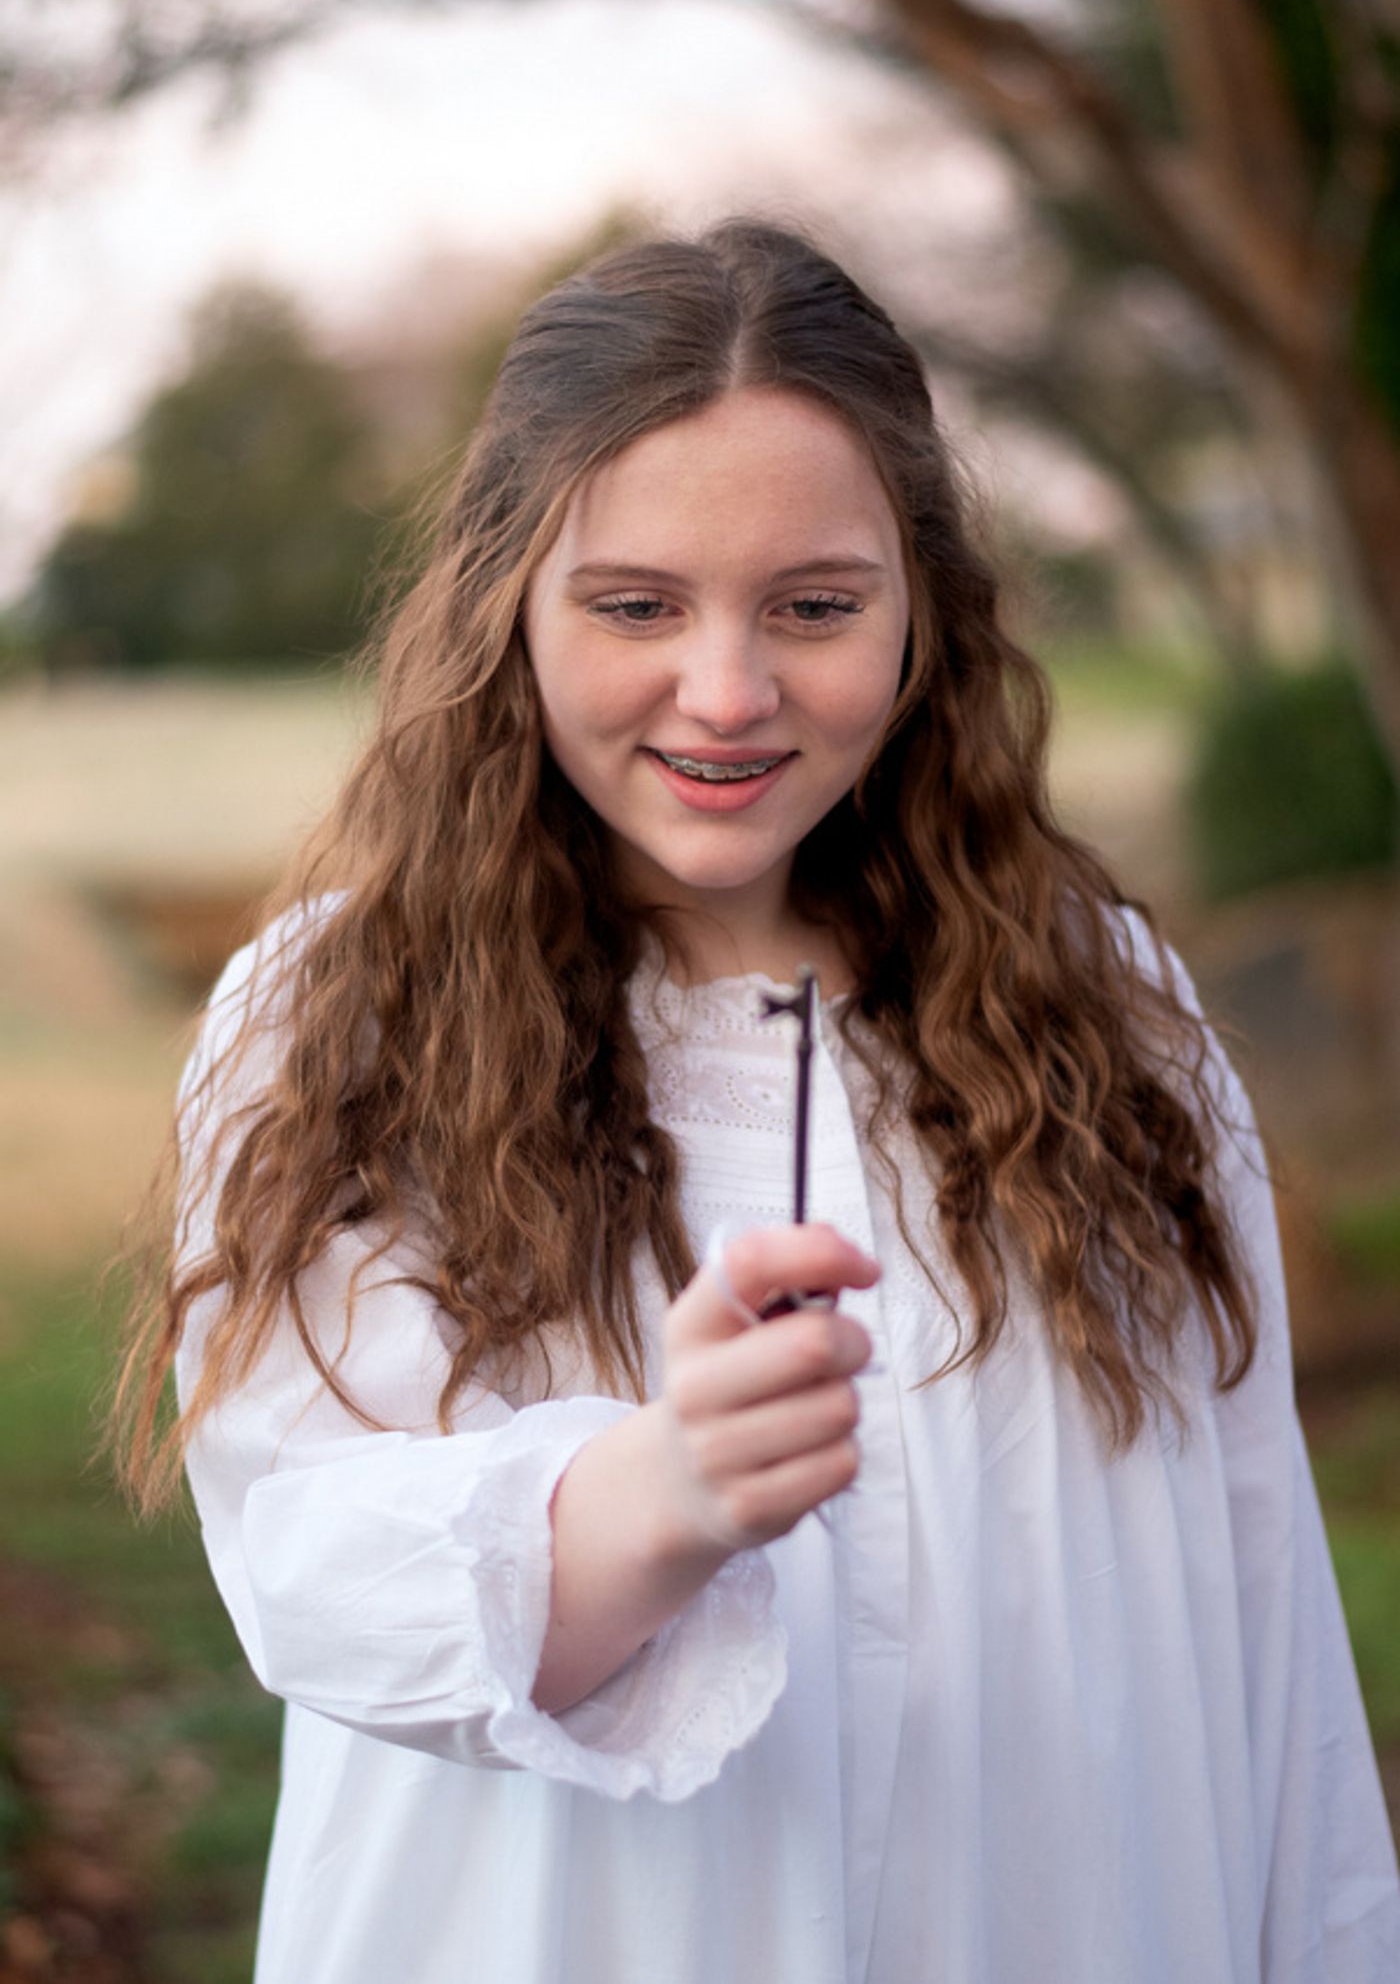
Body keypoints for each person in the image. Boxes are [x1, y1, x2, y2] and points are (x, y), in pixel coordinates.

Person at [117, 219, 1400, 1984]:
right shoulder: (343, 1016)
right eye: (636, 605)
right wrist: (663, 1493)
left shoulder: (1108, 1004)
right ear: (509, 600)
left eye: (814, 605)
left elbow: (1265, 1614)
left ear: (922, 611)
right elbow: (311, 1580)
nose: (727, 694)